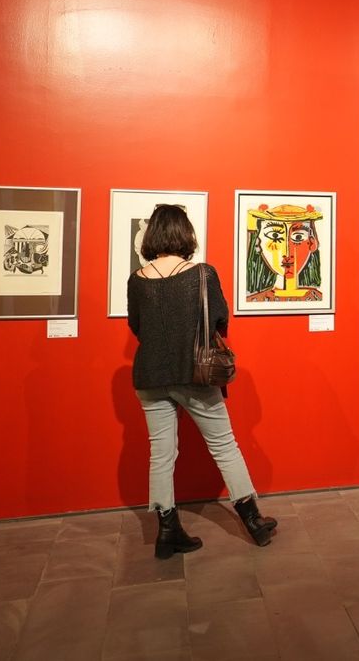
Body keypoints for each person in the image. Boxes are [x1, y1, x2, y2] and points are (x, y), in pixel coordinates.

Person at [127, 204, 279, 558]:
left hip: (150, 375)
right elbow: (220, 319)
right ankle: (253, 520)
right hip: (194, 373)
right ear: (186, 233)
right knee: (224, 446)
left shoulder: (138, 279)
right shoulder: (202, 274)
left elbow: (137, 326)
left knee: (161, 454)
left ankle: (167, 531)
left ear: (152, 235)